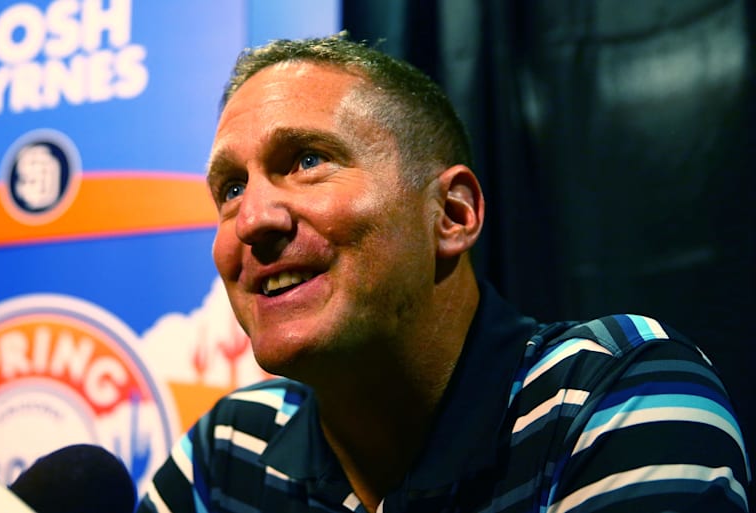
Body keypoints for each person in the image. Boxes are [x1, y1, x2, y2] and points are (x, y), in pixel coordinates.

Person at [138, 33, 751, 513]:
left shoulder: (615, 394)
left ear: (452, 215)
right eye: (232, 188)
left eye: (307, 160)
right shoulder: (225, 454)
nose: (252, 219)